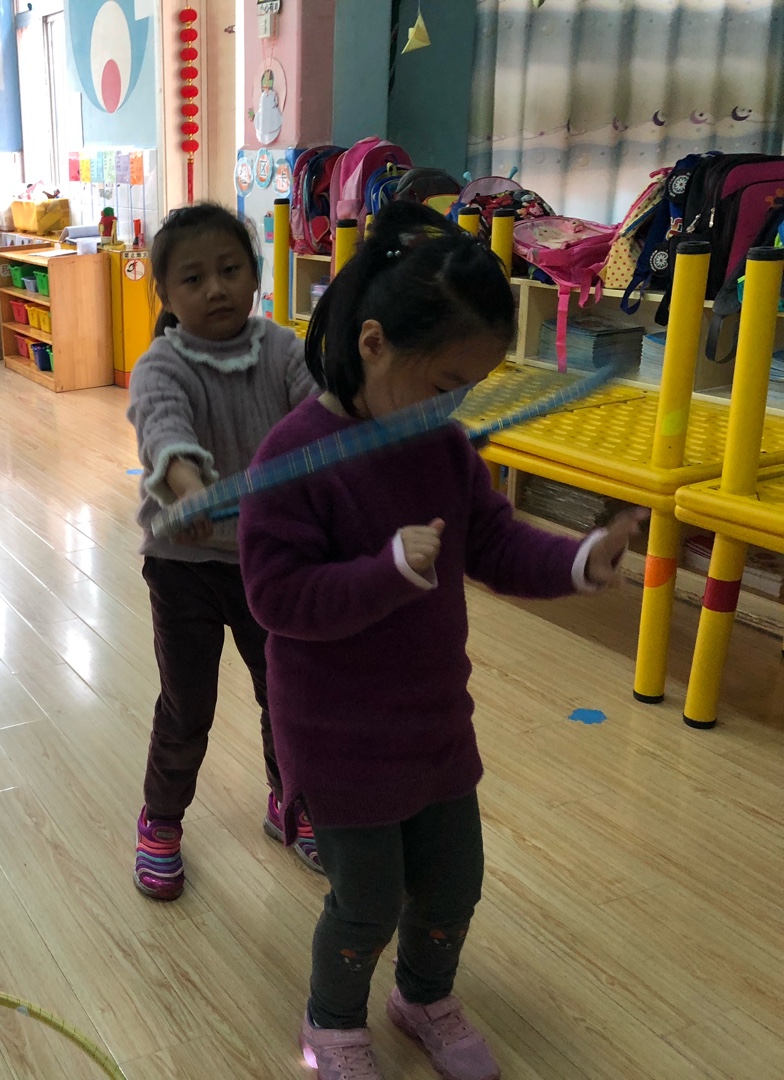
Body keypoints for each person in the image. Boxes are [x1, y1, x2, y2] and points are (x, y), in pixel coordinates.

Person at [236, 201, 644, 1080]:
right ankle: (330, 1024)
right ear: (374, 344)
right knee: (365, 901)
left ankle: (423, 997)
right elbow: (276, 598)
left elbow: (494, 543)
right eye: (443, 383)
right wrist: (384, 571)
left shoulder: (445, 450)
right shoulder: (293, 457)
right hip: (338, 738)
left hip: (433, 723)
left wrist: (579, 560)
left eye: (470, 387)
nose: (454, 405)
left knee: (454, 884)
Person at [127, 202, 322, 904]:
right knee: (188, 705)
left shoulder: (285, 350)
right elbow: (164, 429)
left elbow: (319, 419)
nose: (215, 289)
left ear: (255, 273)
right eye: (193, 278)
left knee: (286, 695)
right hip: (185, 567)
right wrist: (191, 491)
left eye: (230, 270)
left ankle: (291, 802)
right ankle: (161, 820)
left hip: (271, 562)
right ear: (164, 292)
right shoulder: (160, 364)